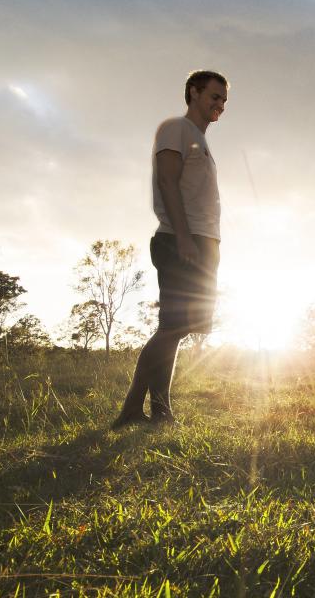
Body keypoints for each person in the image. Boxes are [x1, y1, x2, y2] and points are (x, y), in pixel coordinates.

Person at [111, 70, 229, 429]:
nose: (220, 105)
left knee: (179, 329)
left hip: (202, 241)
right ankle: (135, 410)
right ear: (193, 92)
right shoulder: (176, 128)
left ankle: (157, 412)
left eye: (224, 100)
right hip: (182, 239)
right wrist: (183, 237)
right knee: (172, 328)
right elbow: (167, 179)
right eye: (214, 96)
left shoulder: (201, 141)